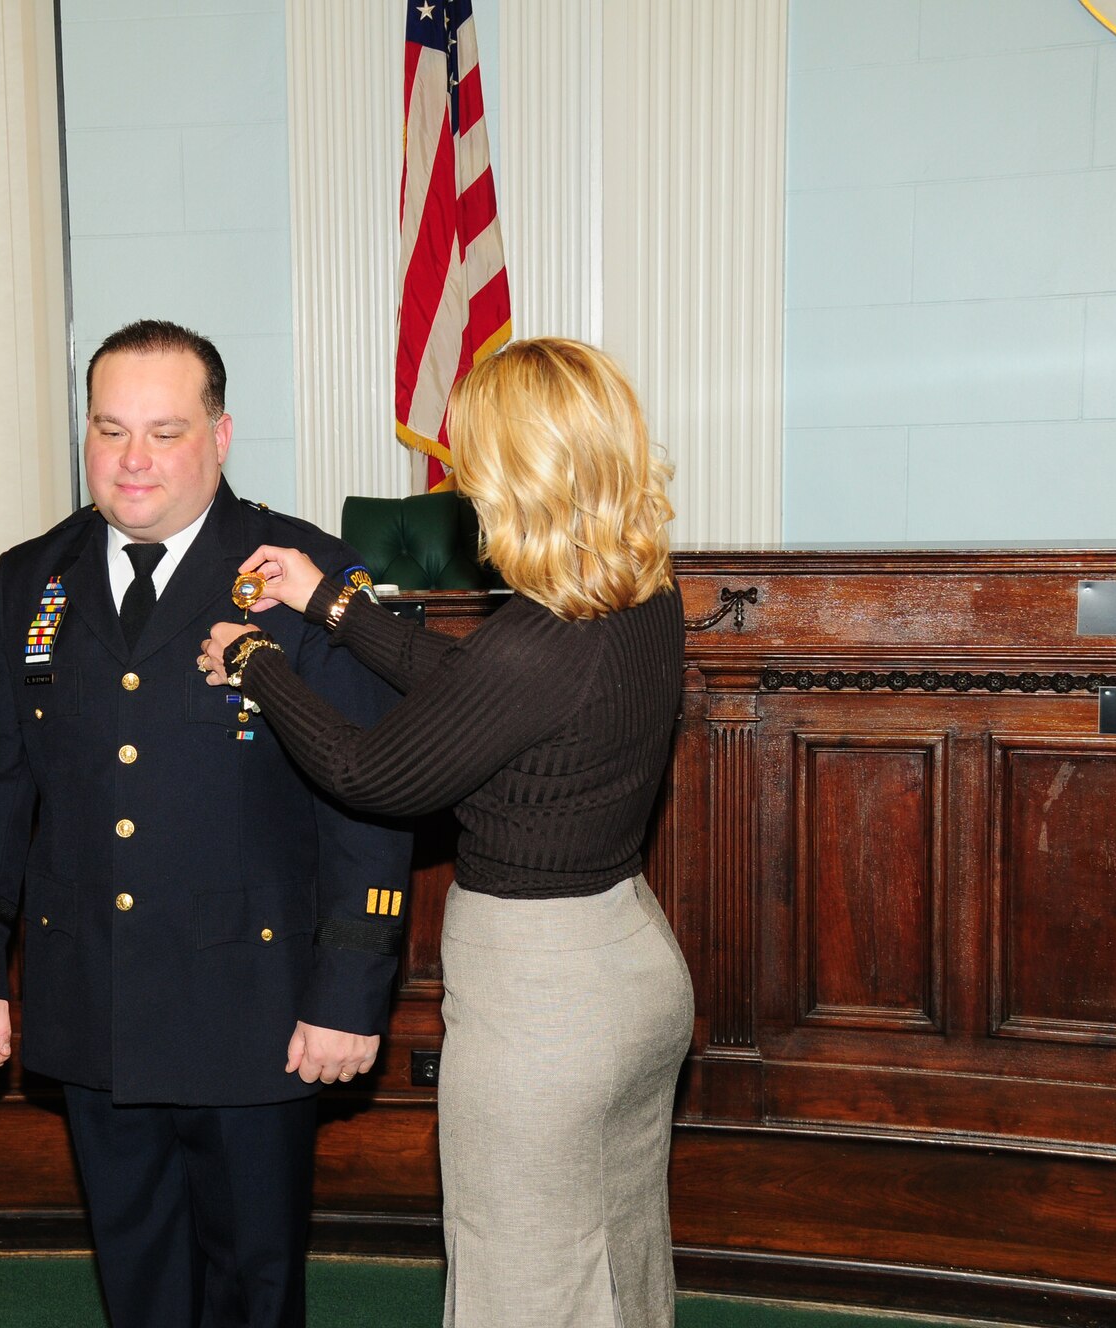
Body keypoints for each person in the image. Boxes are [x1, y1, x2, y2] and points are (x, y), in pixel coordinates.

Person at [199, 337, 693, 1328]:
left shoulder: (535, 643)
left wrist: (256, 660)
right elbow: (479, 695)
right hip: (626, 961)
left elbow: (370, 773)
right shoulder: (637, 591)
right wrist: (332, 603)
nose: (460, 482)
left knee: (523, 1286)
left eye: (472, 462)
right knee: (616, 1270)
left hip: (543, 1005)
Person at [0, 319, 413, 1328]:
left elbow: (367, 799)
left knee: (252, 1286)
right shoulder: (36, 574)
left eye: (163, 431)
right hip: (93, 999)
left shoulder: (305, 578)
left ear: (221, 434)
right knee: (138, 1282)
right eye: (109, 431)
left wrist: (349, 987)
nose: (132, 461)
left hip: (254, 1006)